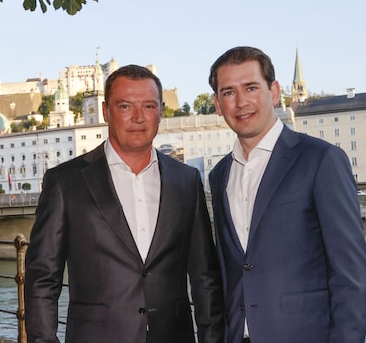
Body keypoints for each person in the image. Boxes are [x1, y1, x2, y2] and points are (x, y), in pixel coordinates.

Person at [24, 65, 224, 342]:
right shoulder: (65, 182)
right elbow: (42, 280)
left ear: (161, 112)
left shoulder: (187, 181)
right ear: (106, 112)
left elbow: (205, 277)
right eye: (126, 106)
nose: (139, 118)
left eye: (149, 106)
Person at [208, 46, 366, 342]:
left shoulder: (321, 160)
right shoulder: (219, 175)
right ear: (217, 104)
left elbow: (350, 274)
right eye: (229, 92)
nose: (241, 102)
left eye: (251, 87)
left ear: (274, 92)